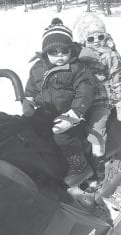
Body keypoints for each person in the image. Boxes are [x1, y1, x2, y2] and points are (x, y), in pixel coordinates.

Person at [22, 19, 95, 185]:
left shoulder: (78, 69)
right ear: (46, 52)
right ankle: (40, 159)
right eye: (53, 52)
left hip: (72, 114)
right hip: (47, 111)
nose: (60, 55)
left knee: (63, 136)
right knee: (28, 125)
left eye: (64, 51)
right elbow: (32, 87)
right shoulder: (38, 68)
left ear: (71, 50)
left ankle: (80, 166)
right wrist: (28, 100)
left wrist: (74, 114)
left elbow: (85, 93)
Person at [73, 13, 121, 188]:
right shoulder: (78, 56)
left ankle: (98, 169)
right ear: (84, 40)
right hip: (81, 101)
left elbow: (118, 78)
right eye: (91, 38)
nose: (97, 40)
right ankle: (76, 166)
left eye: (100, 36)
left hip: (101, 101)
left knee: (95, 132)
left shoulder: (111, 55)